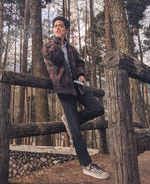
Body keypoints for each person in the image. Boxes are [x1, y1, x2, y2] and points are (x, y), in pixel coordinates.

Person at [42, 16, 109, 180]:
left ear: (65, 29)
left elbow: (80, 63)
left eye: (61, 26)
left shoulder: (71, 49)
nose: (57, 28)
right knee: (76, 132)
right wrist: (58, 41)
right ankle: (87, 165)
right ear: (53, 30)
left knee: (98, 108)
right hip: (64, 89)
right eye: (55, 26)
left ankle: (71, 120)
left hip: (78, 86)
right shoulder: (48, 47)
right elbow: (55, 59)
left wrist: (81, 75)